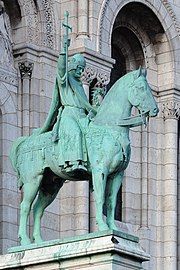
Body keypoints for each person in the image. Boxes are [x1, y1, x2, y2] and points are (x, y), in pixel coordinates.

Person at [39, 38, 96, 173]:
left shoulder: (80, 85)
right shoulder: (65, 80)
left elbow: (86, 104)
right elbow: (61, 69)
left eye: (82, 69)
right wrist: (64, 49)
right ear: (73, 66)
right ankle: (73, 162)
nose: (81, 72)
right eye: (79, 68)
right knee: (75, 132)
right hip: (69, 115)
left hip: (82, 116)